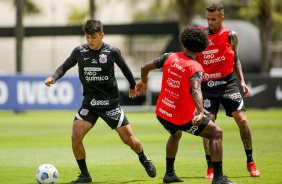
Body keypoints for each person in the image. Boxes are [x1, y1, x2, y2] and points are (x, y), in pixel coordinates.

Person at [44, 19, 156, 183]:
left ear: (102, 35)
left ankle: (144, 158)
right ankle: (85, 175)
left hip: (110, 105)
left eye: (93, 37)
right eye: (87, 37)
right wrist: (53, 78)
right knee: (76, 136)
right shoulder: (79, 52)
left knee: (129, 141)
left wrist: (133, 85)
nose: (90, 41)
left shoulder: (112, 52)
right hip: (89, 105)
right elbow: (64, 66)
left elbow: (125, 68)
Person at [136, 26, 236, 184]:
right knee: (216, 133)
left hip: (162, 113)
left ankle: (169, 174)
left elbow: (144, 67)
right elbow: (196, 90)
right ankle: (218, 178)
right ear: (202, 48)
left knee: (175, 134)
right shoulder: (195, 67)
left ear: (184, 43)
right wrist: (201, 112)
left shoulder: (170, 56)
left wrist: (143, 82)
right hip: (181, 118)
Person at [196, 4, 260, 179]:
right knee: (208, 124)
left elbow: (236, 59)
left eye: (213, 19)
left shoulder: (231, 36)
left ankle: (250, 162)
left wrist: (242, 81)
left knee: (243, 120)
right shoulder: (200, 36)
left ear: (222, 18)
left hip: (228, 83)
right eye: (208, 18)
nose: (210, 22)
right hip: (207, 86)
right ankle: (210, 167)